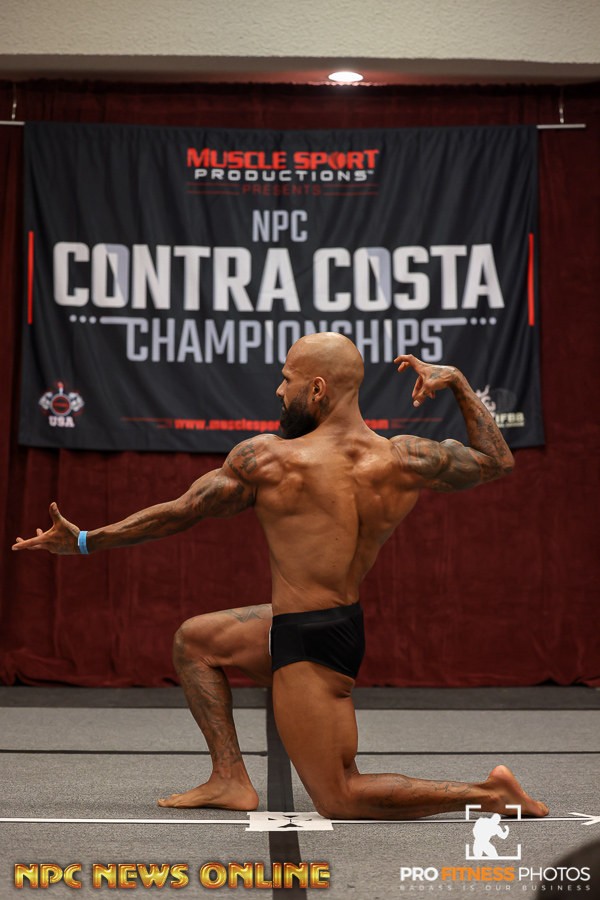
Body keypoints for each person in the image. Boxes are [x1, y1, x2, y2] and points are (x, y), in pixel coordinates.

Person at [13, 333, 548, 821]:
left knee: (341, 796)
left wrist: (86, 540)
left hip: (310, 647)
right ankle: (229, 778)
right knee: (195, 641)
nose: (278, 390)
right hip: (326, 624)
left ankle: (488, 794)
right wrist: (457, 382)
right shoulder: (406, 457)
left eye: (286, 379)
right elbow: (495, 459)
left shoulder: (270, 460)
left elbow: (181, 511)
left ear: (317, 389)